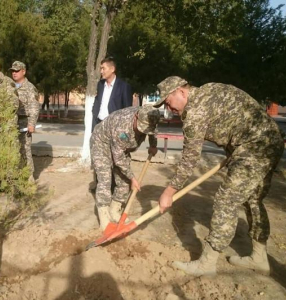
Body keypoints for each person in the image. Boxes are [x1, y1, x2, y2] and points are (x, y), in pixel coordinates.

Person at [155, 76, 284, 277]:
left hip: (254, 146)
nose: (168, 107)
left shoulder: (195, 112)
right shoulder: (208, 90)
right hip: (271, 140)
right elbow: (234, 118)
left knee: (226, 201)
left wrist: (168, 192)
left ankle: (207, 263)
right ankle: (259, 257)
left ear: (181, 91)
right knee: (253, 200)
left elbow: (189, 159)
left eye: (168, 101)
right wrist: (234, 151)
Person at [90, 105, 160, 231]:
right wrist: (133, 178)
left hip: (120, 147)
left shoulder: (150, 116)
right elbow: (118, 159)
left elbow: (153, 131)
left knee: (124, 181)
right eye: (141, 128)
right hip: (101, 143)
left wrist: (153, 145)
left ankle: (114, 210)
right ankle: (104, 217)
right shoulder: (122, 126)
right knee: (105, 179)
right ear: (136, 117)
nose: (142, 131)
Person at [9, 61, 40, 182]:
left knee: (24, 149)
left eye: (17, 71)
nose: (14, 73)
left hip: (23, 122)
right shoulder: (10, 87)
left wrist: (31, 123)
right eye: (13, 71)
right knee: (13, 149)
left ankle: (29, 176)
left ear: (24, 71)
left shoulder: (30, 88)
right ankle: (15, 175)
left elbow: (34, 107)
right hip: (11, 122)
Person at [91, 57, 132, 131]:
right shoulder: (100, 84)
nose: (101, 71)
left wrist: (124, 130)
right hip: (99, 124)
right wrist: (94, 112)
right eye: (101, 69)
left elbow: (127, 110)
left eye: (103, 68)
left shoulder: (124, 86)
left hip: (115, 127)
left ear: (112, 69)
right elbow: (97, 101)